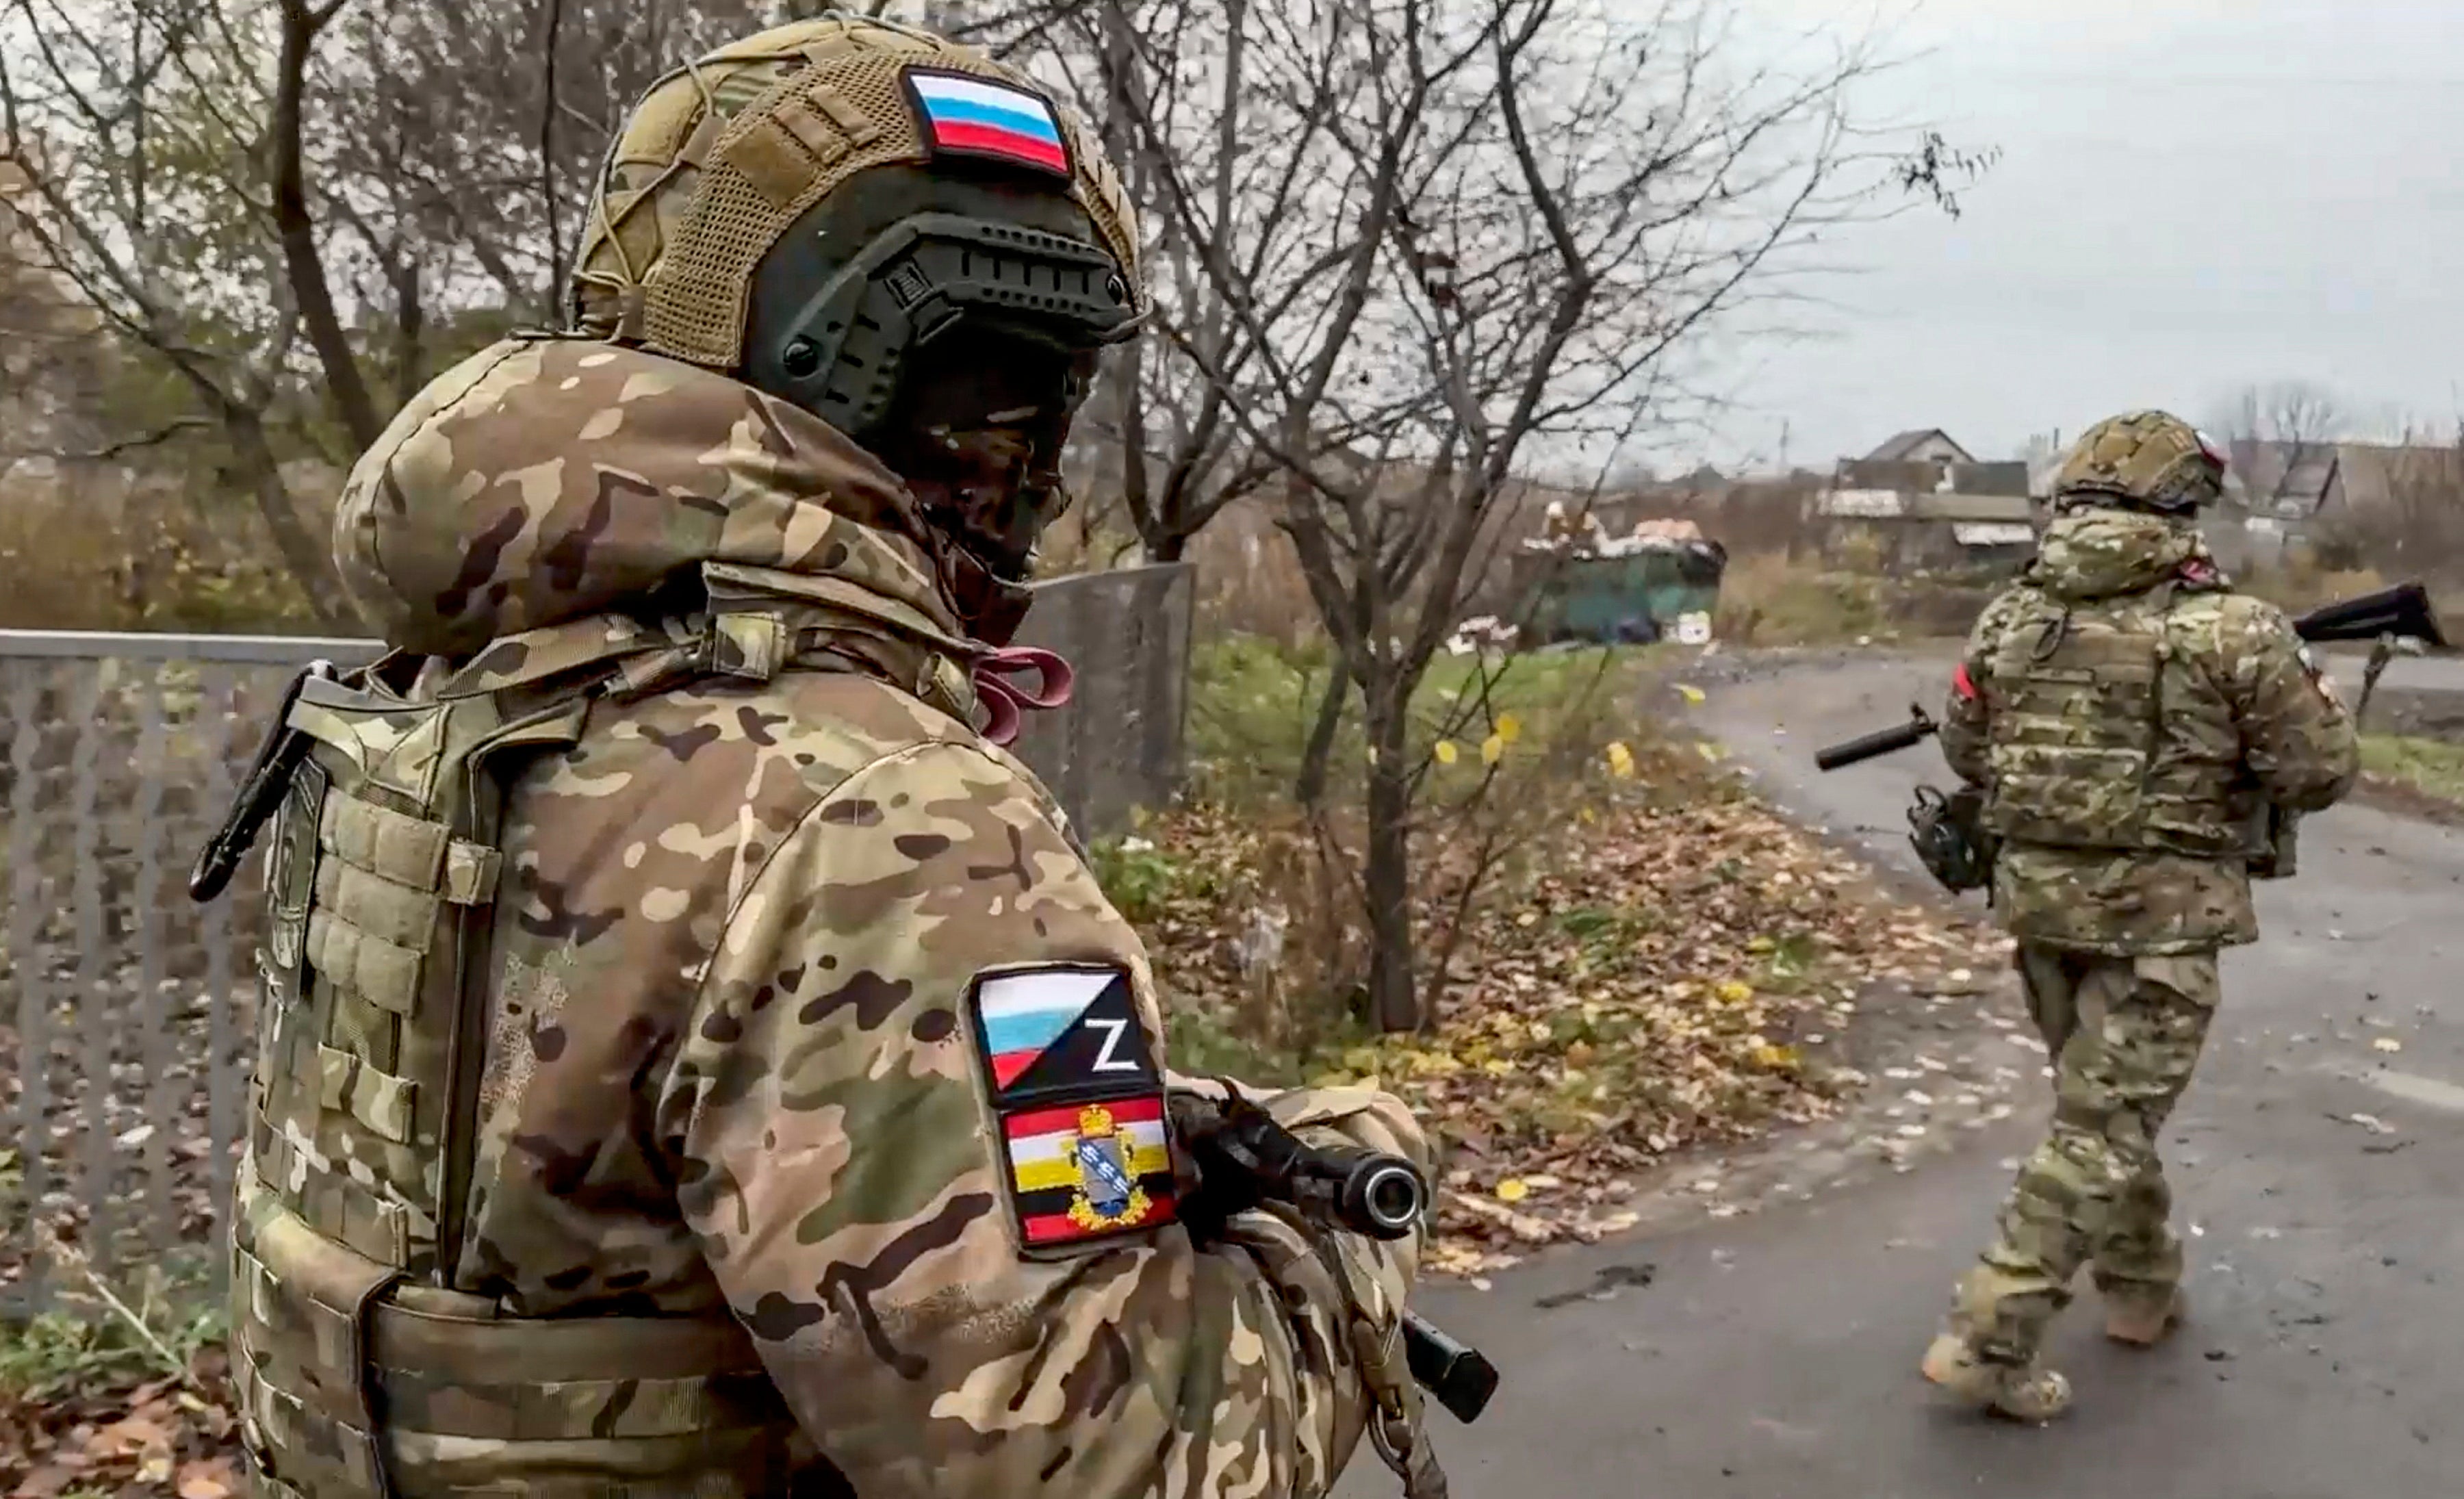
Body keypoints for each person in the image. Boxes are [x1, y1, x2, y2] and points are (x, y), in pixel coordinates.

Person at [214, 17, 1441, 1499]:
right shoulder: (881, 813)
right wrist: (1352, 1193)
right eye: (996, 391)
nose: (1023, 463)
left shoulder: (452, 688)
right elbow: (1124, 1463)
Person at [1916, 410, 2359, 1420]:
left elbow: (1966, 749)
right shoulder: (2234, 629)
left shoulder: (2012, 615)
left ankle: (2140, 1287)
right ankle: (1988, 1338)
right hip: (2162, 924)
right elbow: (2320, 771)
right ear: (2182, 508)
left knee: (2105, 1114)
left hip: (2039, 912)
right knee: (2103, 1126)